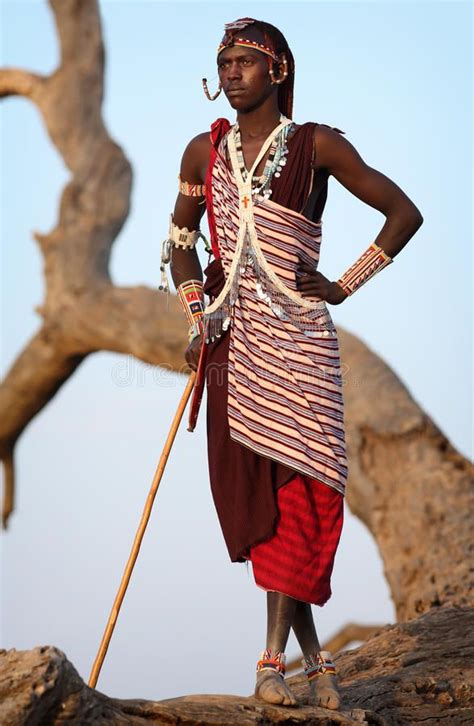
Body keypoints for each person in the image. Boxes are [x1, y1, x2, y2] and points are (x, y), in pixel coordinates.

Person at [159, 17, 423, 710]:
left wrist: (342, 284)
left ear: (277, 70)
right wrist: (199, 313)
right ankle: (312, 667)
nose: (232, 73)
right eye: (223, 63)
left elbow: (403, 212)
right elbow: (181, 243)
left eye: (245, 61)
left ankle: (270, 663)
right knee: (264, 506)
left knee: (306, 499)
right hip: (234, 345)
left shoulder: (319, 145)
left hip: (303, 345)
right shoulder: (201, 152)